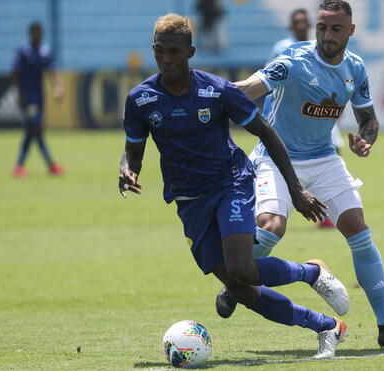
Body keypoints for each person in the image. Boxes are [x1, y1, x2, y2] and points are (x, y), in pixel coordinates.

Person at [118, 13, 350, 359]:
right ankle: (325, 325)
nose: (166, 59)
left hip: (231, 184)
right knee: (240, 288)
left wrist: (296, 189)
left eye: (174, 52)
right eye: (159, 51)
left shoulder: (216, 90)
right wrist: (127, 170)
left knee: (243, 267)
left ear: (190, 51)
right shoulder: (141, 99)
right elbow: (133, 152)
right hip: (189, 201)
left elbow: (267, 133)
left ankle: (311, 272)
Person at [216, 0, 384, 350]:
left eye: (335, 28)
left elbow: (368, 118)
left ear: (350, 30)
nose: (326, 35)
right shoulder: (294, 61)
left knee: (360, 232)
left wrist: (365, 141)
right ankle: (236, 278)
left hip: (324, 159)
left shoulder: (355, 68)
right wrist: (206, 93)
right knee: (271, 227)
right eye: (321, 27)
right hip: (276, 158)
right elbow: (248, 88)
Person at [269, 8, 344, 228]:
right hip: (292, 118)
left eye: (304, 22)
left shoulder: (318, 48)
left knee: (333, 152)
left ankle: (326, 213)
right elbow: (271, 79)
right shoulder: (282, 49)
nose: (301, 26)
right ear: (291, 26)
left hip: (318, 112)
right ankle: (277, 206)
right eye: (297, 22)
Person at [11, 21, 64, 178]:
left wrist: (58, 87)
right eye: (35, 32)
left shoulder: (44, 52)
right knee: (35, 129)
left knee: (33, 131)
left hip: (40, 98)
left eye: (40, 32)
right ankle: (48, 165)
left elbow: (52, 71)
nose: (38, 34)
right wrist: (20, 94)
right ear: (31, 33)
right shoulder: (23, 52)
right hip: (28, 98)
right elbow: (15, 73)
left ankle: (21, 166)